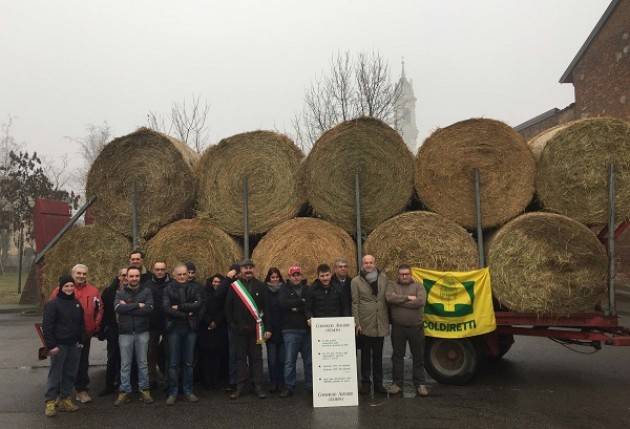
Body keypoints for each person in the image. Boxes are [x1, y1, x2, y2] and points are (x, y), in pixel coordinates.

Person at [49, 264, 103, 404]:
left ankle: (81, 390)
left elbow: (99, 310)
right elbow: (50, 312)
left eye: (84, 273)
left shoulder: (93, 291)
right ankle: (59, 394)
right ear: (73, 274)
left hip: (84, 334)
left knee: (82, 363)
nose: (81, 276)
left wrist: (94, 326)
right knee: (61, 364)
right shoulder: (59, 290)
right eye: (78, 273)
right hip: (62, 336)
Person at [224, 259, 272, 400]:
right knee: (240, 359)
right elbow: (228, 309)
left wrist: (267, 328)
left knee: (256, 359)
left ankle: (257, 386)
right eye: (245, 268)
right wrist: (233, 326)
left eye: (251, 267)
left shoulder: (261, 286)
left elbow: (267, 309)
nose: (248, 270)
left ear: (254, 269)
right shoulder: (234, 287)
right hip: (239, 331)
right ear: (241, 270)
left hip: (256, 331)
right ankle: (240, 386)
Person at [42, 275, 84, 417]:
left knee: (70, 373)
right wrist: (51, 345)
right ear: (60, 287)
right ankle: (50, 402)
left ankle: (65, 399)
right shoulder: (53, 304)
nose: (69, 288)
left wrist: (80, 340)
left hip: (73, 345)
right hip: (59, 345)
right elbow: (47, 327)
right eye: (66, 286)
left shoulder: (77, 303)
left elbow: (80, 324)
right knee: (55, 374)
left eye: (71, 286)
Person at [385, 264, 429, 397]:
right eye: (402, 274)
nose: (404, 276)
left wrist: (399, 301)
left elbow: (420, 301)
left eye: (406, 274)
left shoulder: (418, 286)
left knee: (418, 356)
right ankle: (397, 384)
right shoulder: (392, 285)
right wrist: (408, 298)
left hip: (416, 327)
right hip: (398, 328)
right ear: (398, 275)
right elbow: (389, 298)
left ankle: (420, 384)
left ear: (411, 274)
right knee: (397, 356)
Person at [114, 266, 155, 406]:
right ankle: (124, 391)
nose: (134, 278)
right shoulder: (120, 292)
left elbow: (149, 309)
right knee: (125, 364)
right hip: (125, 333)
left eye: (136, 276)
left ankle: (144, 389)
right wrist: (138, 305)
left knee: (143, 363)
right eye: (131, 276)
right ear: (127, 277)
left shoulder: (146, 291)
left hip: (142, 331)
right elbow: (118, 308)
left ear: (140, 277)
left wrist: (129, 306)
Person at [163, 264, 203, 405]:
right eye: (179, 274)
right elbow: (167, 308)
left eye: (184, 274)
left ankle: (188, 391)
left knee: (188, 362)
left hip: (190, 330)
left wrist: (179, 307)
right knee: (173, 363)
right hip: (174, 329)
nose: (182, 276)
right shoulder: (168, 289)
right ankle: (173, 392)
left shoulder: (195, 288)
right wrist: (186, 313)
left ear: (188, 275)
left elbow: (198, 304)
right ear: (174, 275)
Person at [351, 254, 389, 395]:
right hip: (365, 322)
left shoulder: (384, 279)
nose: (368, 265)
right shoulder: (356, 281)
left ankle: (379, 383)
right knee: (365, 355)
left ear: (375, 263)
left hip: (380, 321)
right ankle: (366, 383)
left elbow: (387, 298)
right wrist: (357, 322)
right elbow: (355, 303)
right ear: (362, 264)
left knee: (378, 355)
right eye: (366, 262)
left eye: (371, 262)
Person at [278, 265, 310, 398]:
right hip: (290, 330)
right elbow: (282, 304)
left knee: (309, 361)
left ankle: (311, 386)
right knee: (290, 361)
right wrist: (300, 302)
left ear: (301, 276)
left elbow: (309, 304)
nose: (296, 277)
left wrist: (295, 306)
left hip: (306, 330)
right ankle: (289, 386)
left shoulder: (307, 289)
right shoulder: (283, 288)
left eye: (298, 274)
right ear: (289, 277)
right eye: (293, 275)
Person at [98, 267, 127, 396]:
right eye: (123, 275)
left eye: (128, 275)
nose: (125, 278)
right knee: (112, 357)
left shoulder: (134, 291)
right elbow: (102, 312)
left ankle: (123, 384)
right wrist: (101, 329)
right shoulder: (109, 292)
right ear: (119, 276)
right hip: (113, 328)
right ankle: (109, 385)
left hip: (127, 329)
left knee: (125, 358)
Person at [197, 274, 229, 389]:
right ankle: (206, 381)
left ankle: (216, 380)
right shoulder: (204, 293)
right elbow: (201, 309)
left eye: (219, 282)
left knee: (217, 356)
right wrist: (209, 321)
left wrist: (216, 321)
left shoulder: (224, 295)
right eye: (214, 282)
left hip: (219, 328)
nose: (216, 284)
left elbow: (225, 309)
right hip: (205, 329)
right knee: (205, 356)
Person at [143, 261, 170, 387]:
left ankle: (167, 377)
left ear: (166, 270)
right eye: (157, 269)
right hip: (152, 323)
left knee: (167, 351)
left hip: (168, 323)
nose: (160, 272)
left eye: (162, 269)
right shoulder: (147, 285)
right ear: (153, 270)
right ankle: (151, 378)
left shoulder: (171, 284)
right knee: (151, 352)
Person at [264, 267, 285, 393]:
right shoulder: (265, 291)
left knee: (282, 360)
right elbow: (265, 312)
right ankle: (273, 382)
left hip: (283, 330)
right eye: (273, 277)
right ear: (269, 278)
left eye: (277, 277)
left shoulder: (284, 290)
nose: (275, 279)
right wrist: (267, 328)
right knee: (272, 360)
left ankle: (281, 383)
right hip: (270, 331)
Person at [222, 263, 240, 391]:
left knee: (247, 355)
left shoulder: (247, 284)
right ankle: (233, 381)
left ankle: (245, 380)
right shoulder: (229, 285)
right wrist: (227, 279)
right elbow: (218, 296)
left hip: (247, 326)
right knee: (233, 354)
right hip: (232, 325)